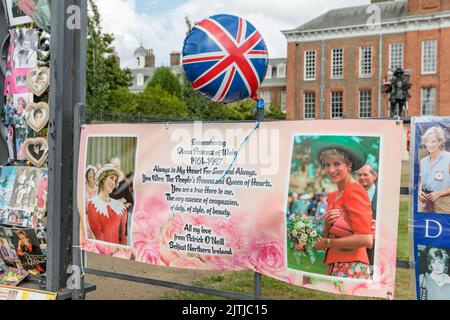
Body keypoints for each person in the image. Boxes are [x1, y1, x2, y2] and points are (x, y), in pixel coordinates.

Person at [312, 136, 374, 280]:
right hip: (335, 265)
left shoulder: (354, 191)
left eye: (337, 164)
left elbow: (366, 239)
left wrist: (327, 242)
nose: (331, 169)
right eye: (327, 165)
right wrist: (326, 226)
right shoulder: (333, 195)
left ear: (349, 164)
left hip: (352, 267)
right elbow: (330, 234)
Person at [87, 164, 127, 245]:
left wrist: (122, 255)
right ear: (103, 179)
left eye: (115, 181)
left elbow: (122, 237)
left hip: (119, 255)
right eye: (111, 178)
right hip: (102, 254)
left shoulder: (120, 207)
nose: (113, 183)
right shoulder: (93, 205)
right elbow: (99, 236)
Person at [418, 126, 450, 213]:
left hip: (444, 206)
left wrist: (440, 193)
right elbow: (422, 181)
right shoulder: (423, 161)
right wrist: (420, 191)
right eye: (427, 141)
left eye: (433, 141)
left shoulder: (448, 159)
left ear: (440, 142)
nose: (430, 144)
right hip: (425, 205)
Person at [358, 164, 378, 268]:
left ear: (374, 176)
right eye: (359, 175)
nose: (361, 178)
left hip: (375, 246)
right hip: (355, 245)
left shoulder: (382, 195)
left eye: (365, 174)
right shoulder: (354, 193)